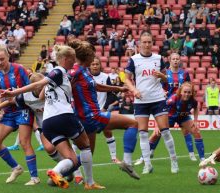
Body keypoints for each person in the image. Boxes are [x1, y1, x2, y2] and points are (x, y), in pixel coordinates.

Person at [0, 45, 104, 190]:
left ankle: (55, 172)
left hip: (48, 123)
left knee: (72, 159)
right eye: (73, 58)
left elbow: (42, 91)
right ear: (66, 59)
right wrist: (14, 92)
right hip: (63, 116)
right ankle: (90, 183)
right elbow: (38, 83)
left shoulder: (57, 75)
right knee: (86, 145)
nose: (75, 61)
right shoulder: (59, 71)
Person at [0, 73, 84, 184]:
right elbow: (10, 101)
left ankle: (75, 172)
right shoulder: (25, 96)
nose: (44, 88)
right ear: (34, 86)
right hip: (45, 127)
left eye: (44, 85)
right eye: (40, 87)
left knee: (71, 150)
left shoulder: (52, 90)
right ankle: (68, 169)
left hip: (61, 121)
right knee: (49, 148)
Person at [68, 39, 140, 180]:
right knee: (133, 124)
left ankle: (60, 172)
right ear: (87, 57)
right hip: (91, 116)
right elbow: (62, 84)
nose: (95, 60)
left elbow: (96, 86)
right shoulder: (76, 71)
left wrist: (118, 88)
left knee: (88, 152)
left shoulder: (84, 71)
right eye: (93, 56)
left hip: (87, 117)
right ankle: (127, 161)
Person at [124, 31, 179, 174]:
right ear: (140, 43)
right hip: (140, 101)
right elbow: (126, 79)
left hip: (157, 99)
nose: (147, 44)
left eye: (149, 42)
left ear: (152, 43)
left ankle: (174, 162)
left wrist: (162, 76)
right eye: (144, 42)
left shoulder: (159, 58)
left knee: (165, 131)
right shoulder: (134, 60)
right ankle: (147, 164)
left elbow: (167, 79)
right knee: (142, 133)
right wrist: (134, 90)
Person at [0, 44, 39, 185]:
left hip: (22, 109)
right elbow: (0, 94)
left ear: (8, 56)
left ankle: (34, 177)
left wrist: (17, 97)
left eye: (2, 59)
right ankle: (16, 168)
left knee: (24, 143)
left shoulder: (19, 69)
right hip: (8, 111)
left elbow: (30, 88)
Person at [89, 57, 121, 163]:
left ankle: (114, 157)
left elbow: (111, 95)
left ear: (100, 65)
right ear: (89, 65)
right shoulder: (85, 77)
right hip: (88, 111)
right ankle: (76, 158)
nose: (95, 66)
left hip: (102, 110)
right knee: (83, 135)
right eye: (93, 64)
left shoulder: (105, 77)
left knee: (107, 132)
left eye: (97, 64)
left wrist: (105, 108)